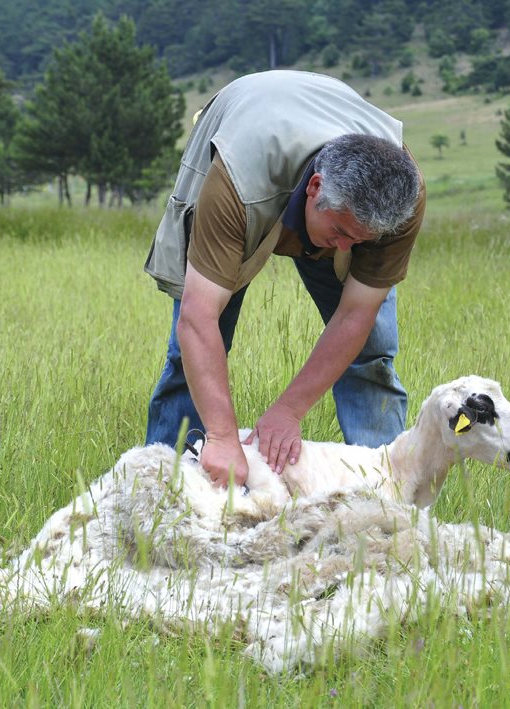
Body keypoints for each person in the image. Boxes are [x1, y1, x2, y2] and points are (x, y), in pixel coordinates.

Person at [144, 70, 425, 489]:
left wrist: (289, 411)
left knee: (372, 354)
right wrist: (223, 437)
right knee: (193, 353)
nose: (346, 250)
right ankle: (163, 486)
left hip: (313, 186)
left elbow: (355, 316)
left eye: (361, 241)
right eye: (343, 234)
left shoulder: (403, 200)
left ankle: (383, 490)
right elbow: (197, 318)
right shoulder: (235, 185)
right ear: (315, 188)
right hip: (250, 160)